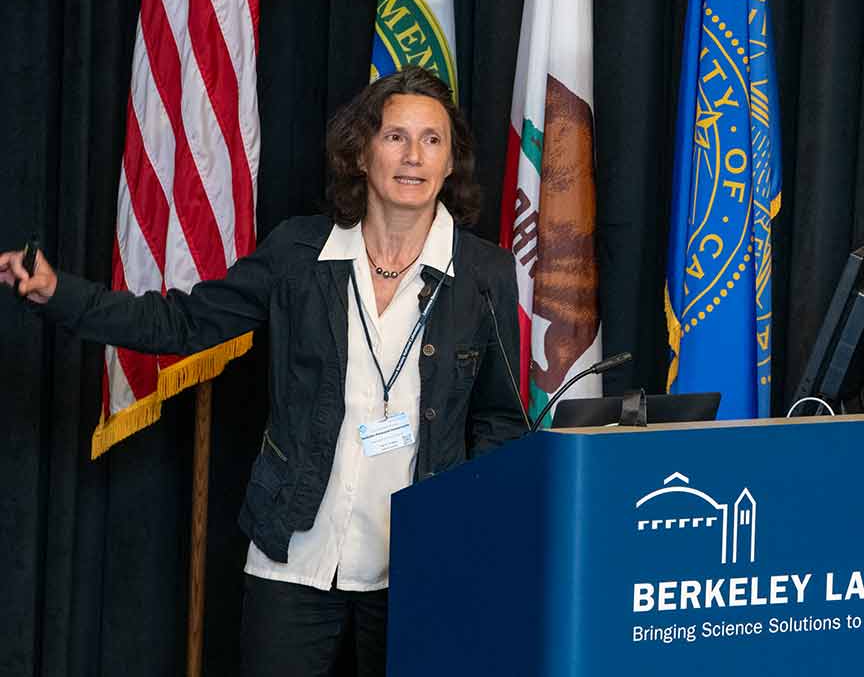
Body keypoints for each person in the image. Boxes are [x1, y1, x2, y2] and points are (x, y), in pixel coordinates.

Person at [0, 66, 525, 676]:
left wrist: (467, 531)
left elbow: (501, 420)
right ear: (360, 152)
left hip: (422, 567)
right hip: (294, 556)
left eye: (432, 140)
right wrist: (59, 293)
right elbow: (183, 323)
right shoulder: (299, 254)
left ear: (451, 160)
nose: (414, 156)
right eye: (395, 137)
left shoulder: (485, 274)